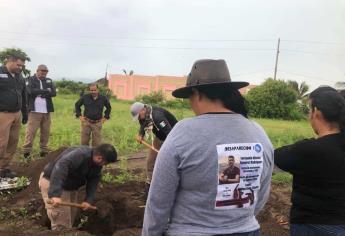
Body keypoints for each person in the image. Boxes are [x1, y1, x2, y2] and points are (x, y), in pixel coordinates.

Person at [142, 59, 274, 236]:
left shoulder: (183, 132)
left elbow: (158, 201)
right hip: (247, 231)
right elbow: (261, 193)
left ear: (197, 94)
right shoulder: (258, 133)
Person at [275, 86, 345, 236]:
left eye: (309, 110)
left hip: (313, 225)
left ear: (316, 112)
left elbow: (274, 157)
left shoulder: (308, 150)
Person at [38, 143, 117, 231]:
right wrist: (55, 194)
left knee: (71, 216)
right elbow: (61, 167)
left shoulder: (97, 164)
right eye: (106, 163)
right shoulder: (80, 154)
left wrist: (88, 200)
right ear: (99, 158)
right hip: (53, 182)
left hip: (70, 186)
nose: (105, 165)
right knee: (61, 222)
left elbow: (94, 180)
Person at [130, 101, 178, 198]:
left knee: (168, 164)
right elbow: (143, 123)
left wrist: (168, 151)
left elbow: (170, 134)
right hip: (160, 138)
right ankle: (148, 190)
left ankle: (170, 190)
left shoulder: (157, 117)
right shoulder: (145, 114)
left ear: (143, 110)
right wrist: (141, 134)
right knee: (150, 162)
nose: (139, 118)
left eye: (139, 115)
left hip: (173, 139)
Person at [0, 54, 28, 178]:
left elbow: (23, 94)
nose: (20, 68)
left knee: (13, 142)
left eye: (22, 66)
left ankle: (3, 168)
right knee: (2, 143)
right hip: (3, 114)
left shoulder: (19, 76)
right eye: (18, 65)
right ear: (9, 61)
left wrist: (25, 112)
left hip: (17, 114)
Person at [22, 65, 56, 158]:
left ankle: (44, 150)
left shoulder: (49, 80)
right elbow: (31, 91)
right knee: (31, 131)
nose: (44, 72)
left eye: (46, 71)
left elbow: (54, 93)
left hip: (46, 111)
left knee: (46, 131)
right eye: (42, 71)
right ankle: (26, 151)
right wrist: (46, 91)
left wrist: (42, 93)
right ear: (37, 70)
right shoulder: (30, 79)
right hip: (34, 111)